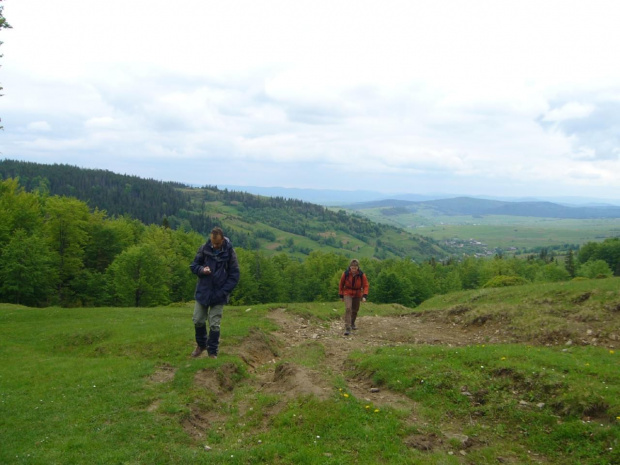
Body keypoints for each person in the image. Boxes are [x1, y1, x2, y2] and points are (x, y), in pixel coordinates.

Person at [189, 227, 240, 358]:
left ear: (222, 240)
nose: (214, 245)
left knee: (214, 323)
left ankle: (212, 352)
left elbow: (234, 275)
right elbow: (193, 266)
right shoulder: (204, 248)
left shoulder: (230, 252)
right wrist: (201, 270)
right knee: (198, 319)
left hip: (220, 293)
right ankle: (201, 345)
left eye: (217, 243)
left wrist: (224, 291)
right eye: (213, 242)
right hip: (203, 291)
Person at [338, 259, 369, 336]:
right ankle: (347, 328)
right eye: (352, 268)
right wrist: (341, 295)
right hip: (347, 292)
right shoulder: (345, 274)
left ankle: (352, 323)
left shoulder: (362, 275)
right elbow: (341, 284)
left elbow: (366, 285)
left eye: (355, 268)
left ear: (358, 267)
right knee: (348, 308)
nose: (354, 270)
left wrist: (364, 295)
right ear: (350, 267)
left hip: (357, 293)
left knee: (355, 310)